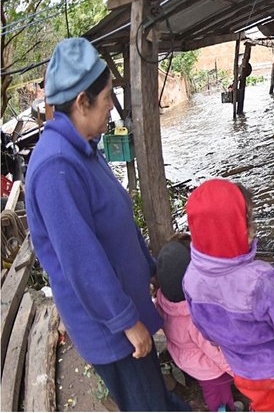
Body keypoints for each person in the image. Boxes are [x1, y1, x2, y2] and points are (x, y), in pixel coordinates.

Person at [25, 37, 189, 412]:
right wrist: (126, 322)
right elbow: (83, 262)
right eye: (105, 101)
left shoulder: (84, 147)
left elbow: (116, 217)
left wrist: (149, 269)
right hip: (109, 327)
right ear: (82, 102)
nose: (110, 111)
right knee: (146, 405)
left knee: (153, 395)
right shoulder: (56, 169)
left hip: (125, 305)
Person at [182, 179, 274, 412]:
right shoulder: (260, 279)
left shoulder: (191, 278)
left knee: (264, 407)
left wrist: (219, 343)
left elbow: (202, 324)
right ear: (239, 229)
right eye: (247, 219)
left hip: (243, 370)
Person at [155, 233, 239, 411]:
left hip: (184, 357)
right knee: (218, 395)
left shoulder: (163, 298)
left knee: (211, 388)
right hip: (210, 370)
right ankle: (225, 408)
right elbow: (215, 352)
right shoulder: (196, 320)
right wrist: (237, 372)